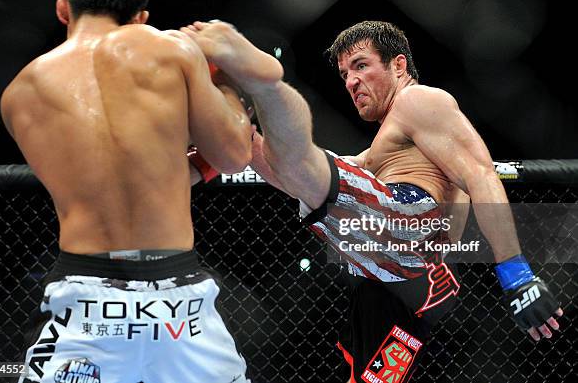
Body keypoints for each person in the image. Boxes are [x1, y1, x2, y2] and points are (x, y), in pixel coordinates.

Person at [181, 20, 563, 383]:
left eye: (361, 66)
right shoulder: (384, 148)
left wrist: (517, 277)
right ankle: (207, 150)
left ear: (398, 65)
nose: (352, 81)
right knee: (269, 154)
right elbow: (300, 176)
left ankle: (259, 81)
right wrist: (240, 144)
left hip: (409, 233)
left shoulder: (419, 100)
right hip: (399, 278)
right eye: (346, 73)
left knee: (290, 158)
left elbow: (482, 176)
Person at [0, 0, 266, 383]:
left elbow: (94, 177)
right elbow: (234, 154)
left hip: (85, 299)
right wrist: (227, 85)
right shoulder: (172, 50)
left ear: (63, 8)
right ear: (141, 16)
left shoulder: (19, 92)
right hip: (178, 301)